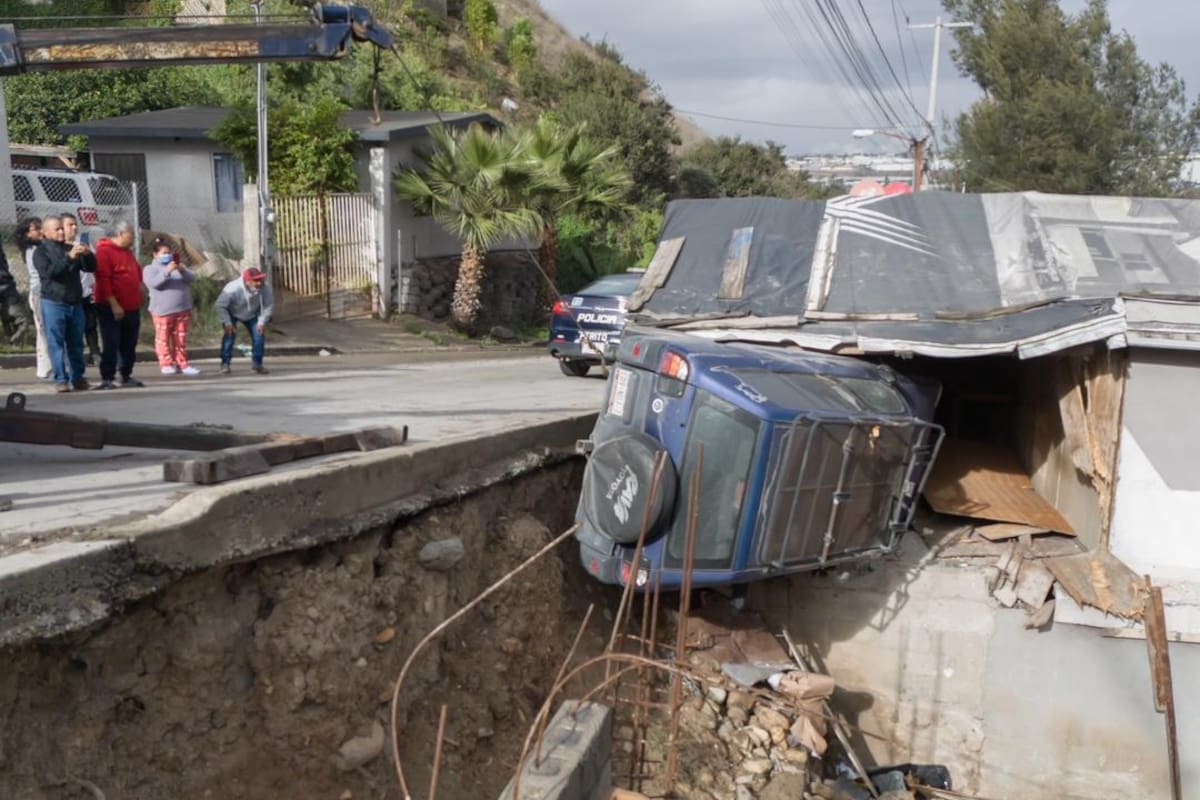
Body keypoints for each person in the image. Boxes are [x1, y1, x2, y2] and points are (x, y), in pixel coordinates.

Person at [32, 216, 95, 392]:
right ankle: (61, 378)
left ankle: (78, 377)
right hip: (54, 302)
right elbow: (49, 274)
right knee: (56, 343)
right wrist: (68, 258)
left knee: (76, 343)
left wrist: (87, 255)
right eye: (57, 229)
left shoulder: (70, 248)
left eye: (62, 228)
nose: (61, 231)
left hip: (74, 302)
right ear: (45, 232)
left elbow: (90, 268)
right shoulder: (41, 252)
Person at [93, 221, 146, 390]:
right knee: (111, 342)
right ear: (122, 234)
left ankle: (126, 374)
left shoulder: (127, 252)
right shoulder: (104, 251)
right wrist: (114, 303)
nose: (134, 238)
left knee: (129, 343)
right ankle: (107, 377)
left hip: (132, 306)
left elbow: (136, 273)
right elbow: (103, 279)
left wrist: (141, 289)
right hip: (111, 307)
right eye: (131, 234)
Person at [143, 237, 199, 376]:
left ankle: (182, 363)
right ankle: (166, 363)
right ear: (155, 255)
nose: (167, 255)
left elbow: (191, 278)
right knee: (163, 339)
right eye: (164, 253)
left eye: (169, 252)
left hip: (182, 309)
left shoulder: (178, 266)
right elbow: (154, 283)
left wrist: (181, 270)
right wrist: (166, 271)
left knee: (180, 338)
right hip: (162, 311)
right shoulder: (150, 269)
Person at [216, 268, 273, 375]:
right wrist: (227, 322)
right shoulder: (233, 288)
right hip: (231, 312)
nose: (259, 282)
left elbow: (268, 305)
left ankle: (257, 364)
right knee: (229, 336)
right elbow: (220, 305)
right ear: (248, 281)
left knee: (259, 336)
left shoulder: (265, 287)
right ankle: (225, 364)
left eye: (260, 279)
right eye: (256, 280)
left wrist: (262, 321)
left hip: (252, 314)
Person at [62, 213, 100, 366]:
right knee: (74, 327)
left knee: (91, 323)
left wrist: (87, 253)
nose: (74, 227)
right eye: (69, 225)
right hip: (70, 294)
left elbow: (92, 266)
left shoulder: (83, 242)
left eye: (75, 224)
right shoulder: (60, 247)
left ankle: (95, 351)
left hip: (86, 289)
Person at [16, 217, 51, 380]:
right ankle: (46, 368)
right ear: (28, 234)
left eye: (41, 227)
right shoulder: (33, 250)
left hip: (44, 293)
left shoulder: (41, 247)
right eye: (36, 229)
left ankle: (47, 367)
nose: (40, 231)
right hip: (39, 293)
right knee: (44, 331)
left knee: (45, 330)